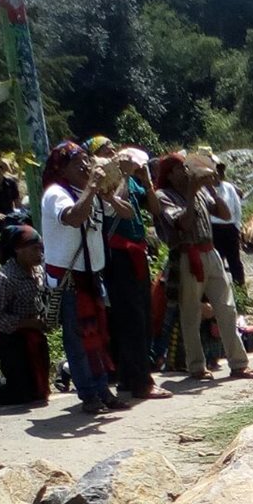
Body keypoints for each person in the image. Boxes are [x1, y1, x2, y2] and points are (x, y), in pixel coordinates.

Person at [40, 140, 134, 414]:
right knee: (78, 339)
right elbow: (73, 218)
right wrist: (92, 187)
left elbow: (125, 213)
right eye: (75, 162)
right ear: (62, 168)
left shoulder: (88, 192)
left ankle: (102, 389)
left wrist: (110, 191)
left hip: (91, 275)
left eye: (85, 159)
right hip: (70, 278)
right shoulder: (56, 193)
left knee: (97, 337)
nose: (84, 165)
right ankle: (88, 394)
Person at [154, 153, 253, 382]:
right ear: (170, 175)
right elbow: (184, 223)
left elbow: (224, 214)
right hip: (187, 255)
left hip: (210, 252)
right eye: (181, 168)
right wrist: (192, 191)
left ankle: (238, 363)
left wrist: (210, 188)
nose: (186, 171)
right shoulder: (164, 196)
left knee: (226, 308)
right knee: (191, 313)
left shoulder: (200, 192)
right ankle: (196, 366)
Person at [99, 143, 172, 401]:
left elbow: (153, 208)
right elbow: (113, 207)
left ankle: (131, 377)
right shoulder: (106, 182)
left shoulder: (132, 183)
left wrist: (146, 180)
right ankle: (142, 382)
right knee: (131, 320)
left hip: (136, 253)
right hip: (118, 256)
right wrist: (124, 175)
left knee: (142, 316)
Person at [0, 225, 49, 405]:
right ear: (18, 250)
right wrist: (28, 323)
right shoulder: (4, 278)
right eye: (34, 249)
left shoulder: (39, 271)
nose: (39, 253)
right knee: (20, 393)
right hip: (11, 339)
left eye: (40, 248)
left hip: (34, 334)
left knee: (38, 391)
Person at [210, 162, 246, 287]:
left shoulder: (229, 188)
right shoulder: (205, 189)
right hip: (214, 229)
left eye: (220, 171)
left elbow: (237, 208)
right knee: (216, 261)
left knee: (234, 261)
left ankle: (240, 290)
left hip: (230, 228)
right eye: (216, 171)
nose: (218, 174)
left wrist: (237, 227)